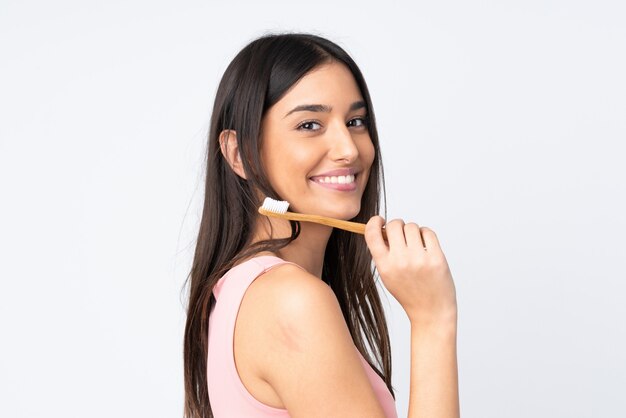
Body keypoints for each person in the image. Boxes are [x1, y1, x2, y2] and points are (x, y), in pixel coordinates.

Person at [183, 32, 459, 418]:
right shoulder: (289, 299)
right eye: (310, 125)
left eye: (356, 121)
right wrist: (433, 320)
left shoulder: (244, 288)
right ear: (238, 152)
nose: (349, 149)